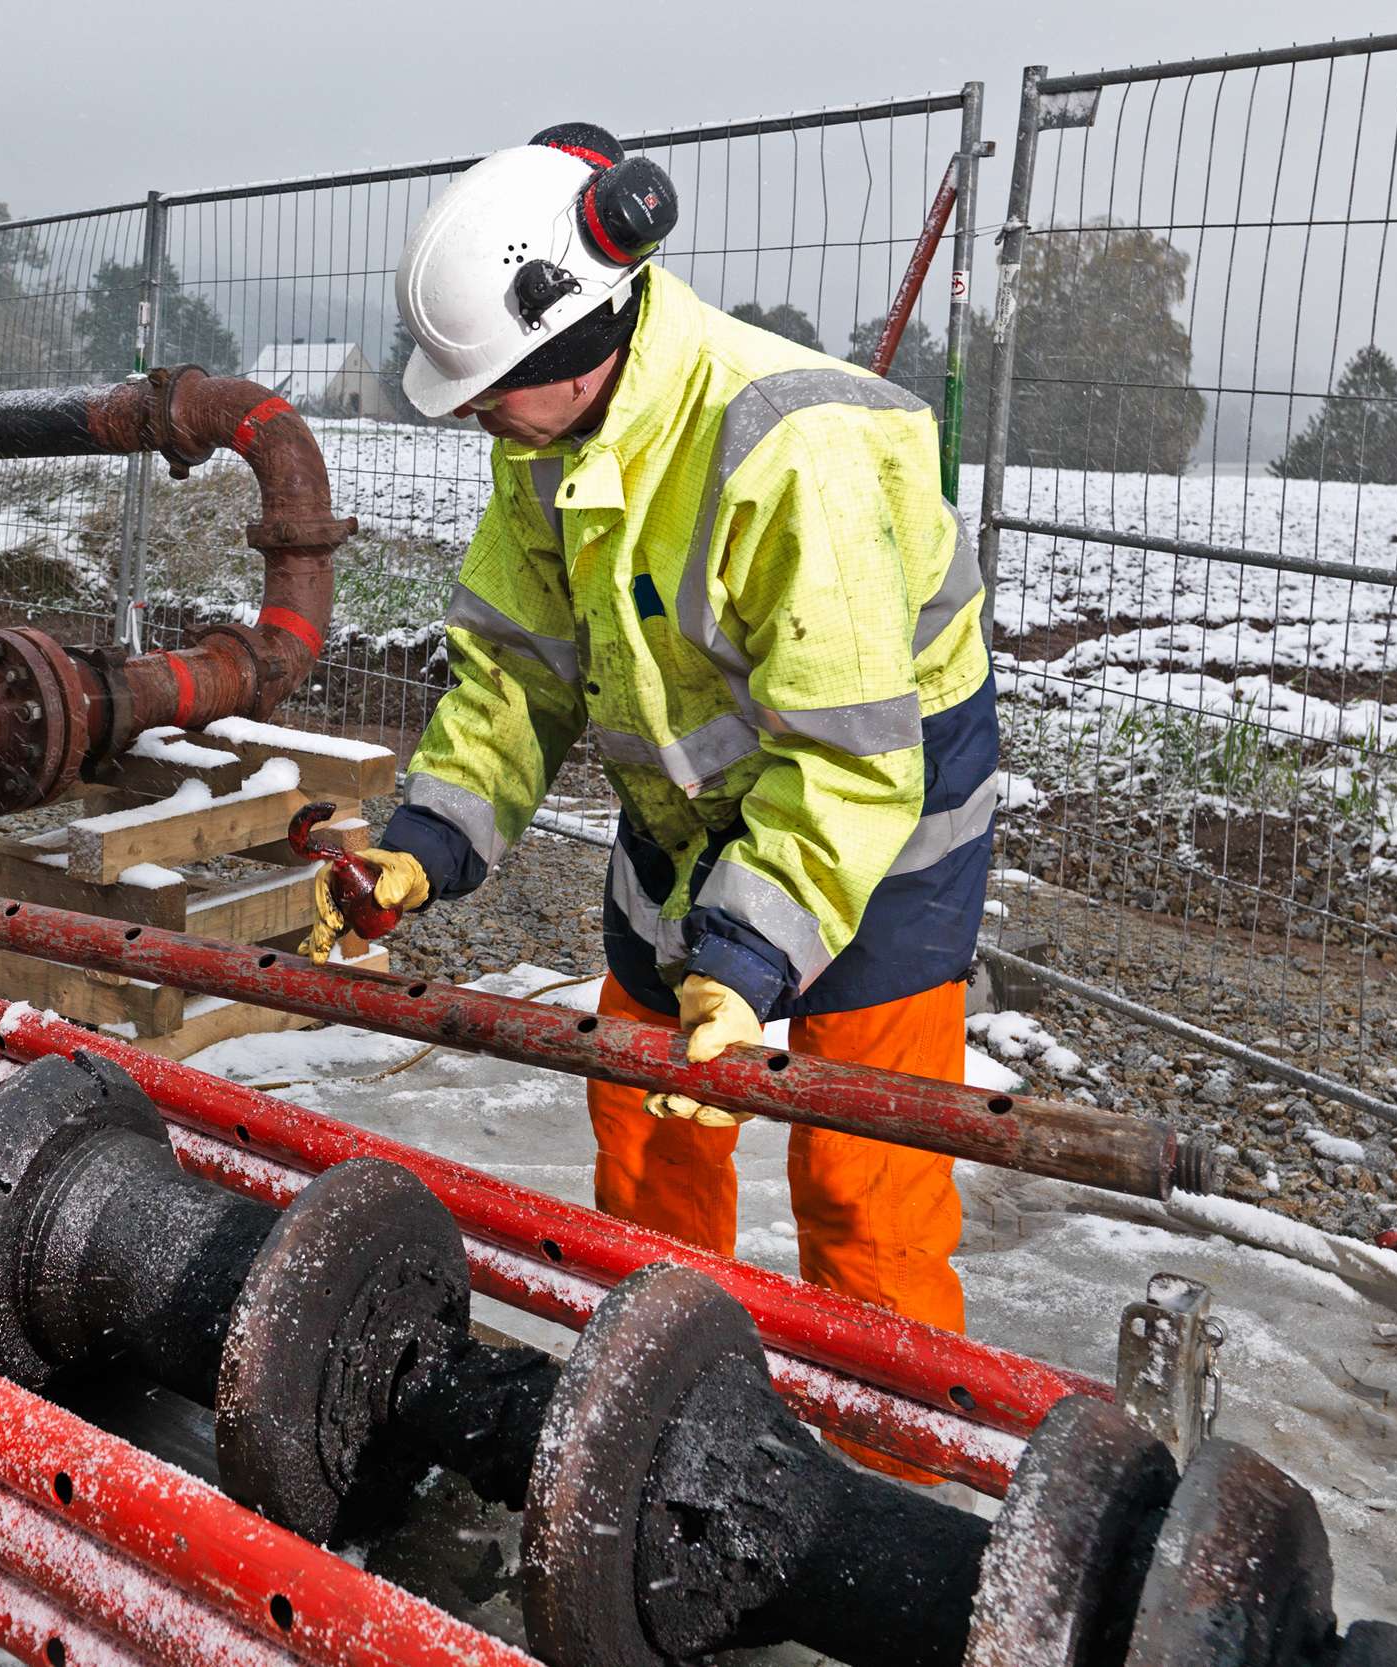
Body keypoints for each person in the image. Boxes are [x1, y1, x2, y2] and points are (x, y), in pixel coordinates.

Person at [308, 123, 995, 1480]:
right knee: (650, 1119)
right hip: (685, 807)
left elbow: (851, 759)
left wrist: (747, 962)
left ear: (576, 346)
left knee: (864, 1190)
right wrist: (421, 846)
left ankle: (891, 1508)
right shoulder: (545, 451)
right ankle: (673, 1414)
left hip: (882, 818)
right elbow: (513, 675)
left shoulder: (794, 447)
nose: (473, 414)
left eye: (490, 386)